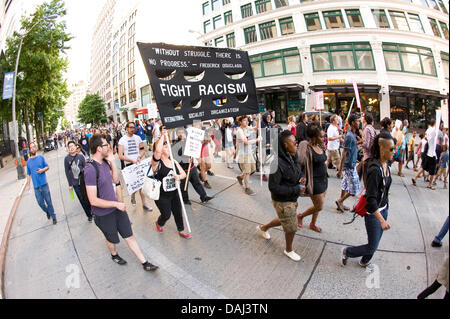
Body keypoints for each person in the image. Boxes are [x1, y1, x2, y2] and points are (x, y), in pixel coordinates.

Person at [84, 134, 158, 271]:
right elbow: (93, 200)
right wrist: (115, 204)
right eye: (106, 144)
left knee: (129, 235)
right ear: (99, 148)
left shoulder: (105, 162)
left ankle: (144, 262)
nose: (109, 147)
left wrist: (112, 162)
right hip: (103, 214)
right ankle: (114, 254)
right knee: (111, 239)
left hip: (117, 208)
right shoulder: (89, 169)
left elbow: (115, 180)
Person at [341, 132, 394, 268]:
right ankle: (348, 251)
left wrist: (386, 206)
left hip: (383, 209)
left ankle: (364, 261)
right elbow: (371, 201)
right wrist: (381, 220)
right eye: (392, 149)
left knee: (375, 243)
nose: (395, 151)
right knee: (372, 246)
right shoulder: (374, 170)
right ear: (382, 149)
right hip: (374, 214)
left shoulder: (386, 165)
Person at [256, 130, 306, 261]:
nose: (296, 144)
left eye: (296, 142)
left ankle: (264, 228)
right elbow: (273, 187)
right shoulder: (276, 162)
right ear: (285, 145)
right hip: (282, 200)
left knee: (284, 219)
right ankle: (288, 249)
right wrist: (296, 189)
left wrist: (301, 178)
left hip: (292, 197)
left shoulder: (292, 156)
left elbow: (298, 171)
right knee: (292, 226)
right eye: (294, 142)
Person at [151, 127, 190, 239]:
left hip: (174, 193)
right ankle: (159, 223)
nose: (168, 147)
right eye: (165, 145)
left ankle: (181, 230)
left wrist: (178, 177)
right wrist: (163, 135)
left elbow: (183, 174)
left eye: (167, 145)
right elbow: (157, 152)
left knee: (178, 212)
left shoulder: (173, 161)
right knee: (166, 215)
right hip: (161, 196)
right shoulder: (156, 163)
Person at [297, 123, 328, 233]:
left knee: (317, 205)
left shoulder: (320, 146)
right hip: (314, 182)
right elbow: (299, 163)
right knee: (319, 206)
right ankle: (300, 216)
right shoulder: (307, 148)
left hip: (324, 179)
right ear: (314, 137)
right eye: (321, 136)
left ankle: (313, 223)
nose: (323, 138)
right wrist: (301, 178)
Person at [174, 129, 213, 205]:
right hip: (183, 170)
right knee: (184, 186)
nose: (182, 134)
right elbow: (175, 158)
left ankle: (204, 197)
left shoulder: (189, 142)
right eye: (180, 133)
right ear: (177, 135)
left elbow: (195, 150)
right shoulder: (175, 145)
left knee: (197, 183)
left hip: (192, 167)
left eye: (183, 132)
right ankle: (185, 200)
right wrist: (185, 160)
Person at [118, 121, 151, 211]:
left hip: (138, 164)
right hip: (129, 165)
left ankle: (144, 204)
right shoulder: (122, 140)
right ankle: (133, 196)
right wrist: (131, 160)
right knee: (134, 185)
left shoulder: (138, 138)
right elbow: (120, 155)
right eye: (131, 127)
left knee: (141, 185)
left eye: (134, 127)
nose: (133, 129)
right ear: (127, 129)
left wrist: (140, 156)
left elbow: (142, 150)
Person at [25, 141, 57, 225]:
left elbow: (47, 167)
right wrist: (28, 185)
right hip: (36, 187)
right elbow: (28, 174)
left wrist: (42, 170)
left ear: (35, 148)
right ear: (29, 150)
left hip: (44, 184)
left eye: (34, 147)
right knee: (41, 203)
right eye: (31, 148)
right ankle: (47, 211)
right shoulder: (28, 162)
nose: (33, 149)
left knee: (49, 201)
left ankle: (53, 217)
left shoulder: (41, 157)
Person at [336, 115, 362, 213]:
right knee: (355, 188)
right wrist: (340, 169)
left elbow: (353, 146)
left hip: (351, 164)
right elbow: (344, 153)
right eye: (356, 121)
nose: (358, 123)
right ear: (352, 123)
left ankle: (341, 202)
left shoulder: (353, 135)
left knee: (345, 185)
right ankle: (340, 201)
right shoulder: (350, 136)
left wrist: (360, 142)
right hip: (349, 166)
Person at [64, 141, 93, 222]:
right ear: (68, 149)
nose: (71, 147)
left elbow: (86, 167)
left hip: (84, 181)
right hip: (75, 183)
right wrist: (70, 185)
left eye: (73, 146)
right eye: (69, 146)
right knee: (82, 200)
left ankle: (92, 210)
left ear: (76, 146)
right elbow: (67, 172)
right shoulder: (66, 159)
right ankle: (89, 215)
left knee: (88, 197)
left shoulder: (80, 156)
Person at [236, 115, 262, 196]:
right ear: (240, 122)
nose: (246, 122)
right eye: (244, 120)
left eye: (247, 120)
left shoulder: (247, 127)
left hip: (249, 153)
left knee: (253, 169)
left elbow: (255, 128)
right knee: (247, 172)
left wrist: (258, 119)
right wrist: (257, 140)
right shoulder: (239, 131)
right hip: (243, 154)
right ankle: (247, 188)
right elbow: (246, 142)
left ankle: (240, 177)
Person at [412, 119, 438, 190]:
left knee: (423, 166)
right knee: (432, 169)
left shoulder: (428, 130)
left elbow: (426, 137)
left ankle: (415, 177)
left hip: (427, 152)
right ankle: (430, 184)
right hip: (432, 153)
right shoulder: (433, 130)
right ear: (434, 123)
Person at [359, 113, 376, 186]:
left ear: (365, 119)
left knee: (366, 178)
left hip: (368, 156)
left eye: (362, 116)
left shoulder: (367, 129)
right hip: (369, 155)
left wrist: (359, 144)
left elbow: (367, 145)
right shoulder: (371, 128)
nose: (361, 118)